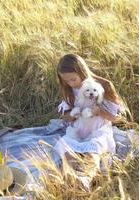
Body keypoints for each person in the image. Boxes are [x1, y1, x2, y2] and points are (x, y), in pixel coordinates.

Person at [54, 53, 126, 191]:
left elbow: (119, 118)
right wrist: (74, 113)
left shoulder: (104, 86)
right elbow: (65, 117)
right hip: (78, 130)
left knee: (93, 151)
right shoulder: (70, 89)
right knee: (67, 151)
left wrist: (99, 112)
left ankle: (84, 180)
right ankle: (68, 179)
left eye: (73, 79)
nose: (70, 84)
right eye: (66, 81)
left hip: (98, 131)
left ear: (82, 71)